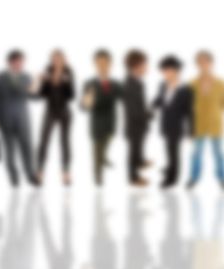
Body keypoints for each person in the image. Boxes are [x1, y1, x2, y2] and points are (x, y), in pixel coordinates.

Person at [0, 49, 40, 187]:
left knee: (27, 148)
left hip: (23, 119)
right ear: (10, 62)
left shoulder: (27, 77)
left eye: (22, 62)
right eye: (17, 61)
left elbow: (33, 98)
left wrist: (36, 87)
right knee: (9, 150)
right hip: (5, 119)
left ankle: (30, 175)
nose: (20, 64)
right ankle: (14, 177)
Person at [187, 50, 224, 189]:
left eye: (206, 62)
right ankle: (193, 178)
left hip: (215, 124)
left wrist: (214, 113)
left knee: (219, 153)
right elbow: (188, 105)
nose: (203, 65)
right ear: (198, 65)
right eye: (200, 63)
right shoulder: (192, 84)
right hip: (199, 124)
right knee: (196, 153)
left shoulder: (220, 83)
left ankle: (223, 179)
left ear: (210, 64)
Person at [81, 49, 122, 187]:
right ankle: (98, 177)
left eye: (105, 63)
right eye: (99, 63)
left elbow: (125, 98)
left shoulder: (116, 84)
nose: (102, 66)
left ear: (110, 64)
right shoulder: (89, 83)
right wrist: (88, 99)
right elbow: (83, 107)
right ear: (95, 64)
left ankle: (103, 158)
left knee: (107, 144)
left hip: (111, 122)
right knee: (97, 151)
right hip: (97, 123)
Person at [152, 55, 193, 189]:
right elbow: (159, 100)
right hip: (164, 124)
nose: (165, 74)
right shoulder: (162, 85)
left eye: (167, 71)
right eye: (163, 71)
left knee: (174, 152)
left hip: (176, 127)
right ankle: (170, 167)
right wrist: (150, 107)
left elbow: (189, 112)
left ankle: (172, 178)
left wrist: (191, 131)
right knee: (168, 150)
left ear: (176, 71)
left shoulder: (186, 89)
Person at [36, 49, 75, 186]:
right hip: (50, 111)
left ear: (63, 60)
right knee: (44, 141)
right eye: (54, 59)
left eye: (59, 59)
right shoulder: (47, 71)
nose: (57, 62)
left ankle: (66, 173)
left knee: (65, 142)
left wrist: (65, 82)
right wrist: (42, 81)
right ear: (52, 60)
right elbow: (41, 95)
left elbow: (72, 96)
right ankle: (40, 172)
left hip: (65, 111)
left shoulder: (68, 72)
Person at [123, 49, 153, 187]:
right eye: (144, 64)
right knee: (133, 151)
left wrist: (147, 113)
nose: (146, 67)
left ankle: (140, 162)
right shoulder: (129, 84)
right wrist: (148, 115)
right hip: (134, 125)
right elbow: (133, 110)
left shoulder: (138, 82)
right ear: (136, 66)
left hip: (140, 125)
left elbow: (140, 104)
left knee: (139, 147)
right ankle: (133, 177)